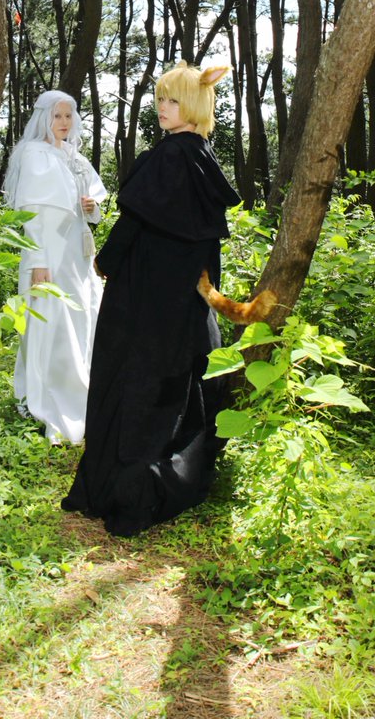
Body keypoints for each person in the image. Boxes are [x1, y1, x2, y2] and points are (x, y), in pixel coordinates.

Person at [61, 63, 240, 535]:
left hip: (144, 295)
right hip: (180, 298)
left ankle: (130, 489)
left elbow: (135, 220)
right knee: (174, 382)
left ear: (194, 104)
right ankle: (165, 478)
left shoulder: (171, 156)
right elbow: (206, 242)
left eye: (173, 100)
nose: (163, 107)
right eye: (161, 98)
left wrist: (107, 261)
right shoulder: (201, 156)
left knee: (132, 378)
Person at [4, 90, 107, 445]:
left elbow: (91, 210)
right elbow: (31, 214)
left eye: (68, 116)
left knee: (82, 318)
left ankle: (83, 393)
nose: (64, 123)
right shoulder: (35, 155)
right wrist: (37, 261)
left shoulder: (74, 157)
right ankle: (50, 398)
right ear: (44, 119)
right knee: (52, 321)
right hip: (48, 253)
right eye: (57, 116)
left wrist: (91, 207)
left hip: (77, 253)